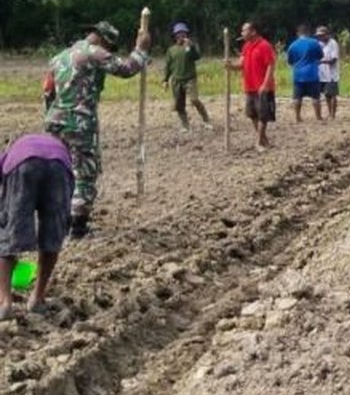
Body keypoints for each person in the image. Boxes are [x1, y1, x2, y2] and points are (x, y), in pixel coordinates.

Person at [43, 21, 151, 238]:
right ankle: (78, 227)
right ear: (103, 39)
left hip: (55, 121)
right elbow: (126, 68)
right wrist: (141, 49)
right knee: (85, 173)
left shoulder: (59, 57)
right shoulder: (93, 53)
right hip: (80, 122)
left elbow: (48, 92)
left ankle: (58, 221)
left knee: (61, 171)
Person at [0, 133, 74, 318]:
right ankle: (37, 298)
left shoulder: (10, 154)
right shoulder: (62, 150)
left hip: (23, 166)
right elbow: (71, 187)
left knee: (7, 237)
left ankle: (4, 302)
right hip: (59, 168)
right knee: (52, 236)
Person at [225, 21, 276, 151]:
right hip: (250, 86)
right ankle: (264, 140)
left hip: (263, 87)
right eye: (242, 31)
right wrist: (230, 66)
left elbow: (271, 65)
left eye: (244, 30)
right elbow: (241, 64)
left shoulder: (264, 46)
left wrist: (265, 84)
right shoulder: (246, 46)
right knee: (253, 114)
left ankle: (258, 142)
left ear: (253, 31)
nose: (242, 33)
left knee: (263, 116)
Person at [163, 22, 212, 132]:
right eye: (179, 34)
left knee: (194, 99)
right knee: (179, 105)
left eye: (184, 33)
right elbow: (168, 66)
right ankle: (185, 125)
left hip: (190, 79)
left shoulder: (190, 47)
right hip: (176, 80)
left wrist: (191, 46)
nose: (182, 36)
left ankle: (206, 120)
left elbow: (197, 57)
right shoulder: (171, 50)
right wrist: (165, 80)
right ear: (175, 36)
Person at [286, 24, 325, 122]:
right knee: (315, 97)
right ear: (308, 33)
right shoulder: (314, 43)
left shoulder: (293, 45)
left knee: (297, 97)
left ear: (298, 33)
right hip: (312, 73)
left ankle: (297, 117)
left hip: (298, 74)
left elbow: (290, 61)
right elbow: (320, 56)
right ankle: (318, 117)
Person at [316, 25, 340, 120]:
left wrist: (320, 62)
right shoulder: (319, 44)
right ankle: (330, 112)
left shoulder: (333, 43)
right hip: (322, 74)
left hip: (331, 74)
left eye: (322, 35)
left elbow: (333, 60)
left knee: (333, 94)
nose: (320, 37)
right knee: (326, 95)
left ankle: (333, 115)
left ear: (327, 35)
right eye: (318, 35)